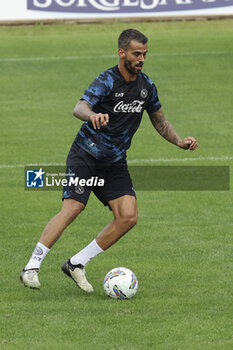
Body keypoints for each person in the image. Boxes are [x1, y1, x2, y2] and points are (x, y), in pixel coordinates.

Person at [20, 29, 198, 292]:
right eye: (137, 54)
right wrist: (91, 115)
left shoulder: (146, 87)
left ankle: (76, 264)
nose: (142, 59)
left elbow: (160, 121)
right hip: (86, 155)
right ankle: (31, 267)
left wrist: (179, 141)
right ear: (121, 52)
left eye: (145, 54)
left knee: (128, 217)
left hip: (114, 162)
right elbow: (79, 107)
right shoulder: (107, 80)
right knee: (73, 208)